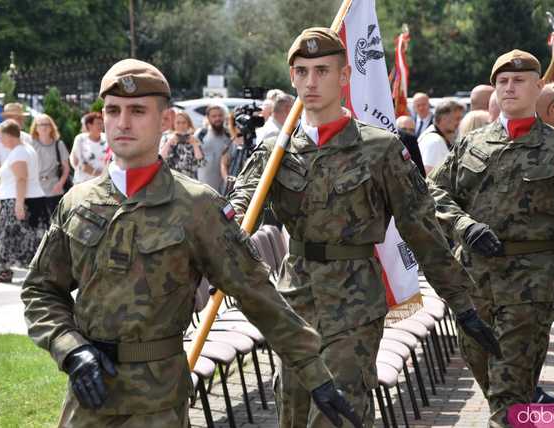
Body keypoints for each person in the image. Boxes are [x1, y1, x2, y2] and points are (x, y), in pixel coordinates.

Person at [21, 58, 361, 428]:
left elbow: (257, 295)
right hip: (87, 401)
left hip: (158, 405)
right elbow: (40, 290)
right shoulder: (78, 201)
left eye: (137, 110)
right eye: (113, 111)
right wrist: (71, 349)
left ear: (165, 120)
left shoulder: (197, 207)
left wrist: (316, 375)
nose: (122, 122)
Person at [230, 27, 500, 428]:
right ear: (292, 78)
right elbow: (240, 206)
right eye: (301, 72)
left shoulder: (380, 148)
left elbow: (421, 228)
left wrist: (461, 303)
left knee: (340, 410)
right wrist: (228, 217)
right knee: (292, 409)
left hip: (354, 300)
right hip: (295, 299)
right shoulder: (275, 152)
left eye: (322, 70)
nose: (310, 81)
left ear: (344, 77)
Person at [427, 49, 554, 427]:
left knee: (508, 395)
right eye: (502, 81)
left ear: (538, 88)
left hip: (529, 289)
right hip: (474, 284)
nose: (510, 87)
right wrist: (462, 225)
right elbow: (432, 193)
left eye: (519, 81)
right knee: (495, 387)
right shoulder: (472, 144)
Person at [0, 119, 46, 283]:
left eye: (1, 137)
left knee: (11, 237)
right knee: (28, 237)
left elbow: (21, 179)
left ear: (9, 136)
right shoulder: (24, 149)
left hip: (20, 199)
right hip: (27, 198)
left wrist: (19, 203)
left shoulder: (19, 152)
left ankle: (6, 272)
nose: (0, 141)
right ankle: (32, 271)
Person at [0, 103, 33, 238]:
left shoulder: (27, 138)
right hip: (2, 185)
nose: (18, 120)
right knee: (1, 222)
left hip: (24, 184)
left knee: (23, 222)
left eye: (19, 117)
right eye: (13, 117)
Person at [30, 114, 70, 215]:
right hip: (36, 189)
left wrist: (60, 184)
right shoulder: (30, 145)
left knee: (55, 223)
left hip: (54, 188)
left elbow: (66, 168)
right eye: (40, 125)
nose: (44, 127)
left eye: (47, 124)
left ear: (51, 127)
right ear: (36, 128)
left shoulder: (59, 144)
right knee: (39, 225)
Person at [418, 98, 465, 175]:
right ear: (443, 119)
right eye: (457, 119)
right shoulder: (435, 142)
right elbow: (428, 175)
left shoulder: (434, 137)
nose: (459, 123)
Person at [195, 104, 232, 193]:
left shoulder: (229, 135)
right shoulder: (201, 134)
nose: (217, 119)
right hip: (205, 186)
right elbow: (195, 160)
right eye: (214, 116)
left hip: (225, 186)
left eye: (220, 115)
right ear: (208, 117)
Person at [162, 110, 205, 178]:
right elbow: (161, 158)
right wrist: (169, 143)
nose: (181, 125)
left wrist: (194, 144)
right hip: (172, 179)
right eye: (178, 123)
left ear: (188, 124)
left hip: (190, 179)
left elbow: (201, 162)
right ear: (174, 124)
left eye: (184, 123)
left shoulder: (194, 138)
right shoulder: (167, 137)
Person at [70, 112, 108, 184]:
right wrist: (98, 173)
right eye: (98, 123)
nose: (101, 126)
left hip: (103, 182)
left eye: (101, 123)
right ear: (89, 125)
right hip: (84, 182)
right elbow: (78, 162)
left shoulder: (106, 138)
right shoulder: (80, 139)